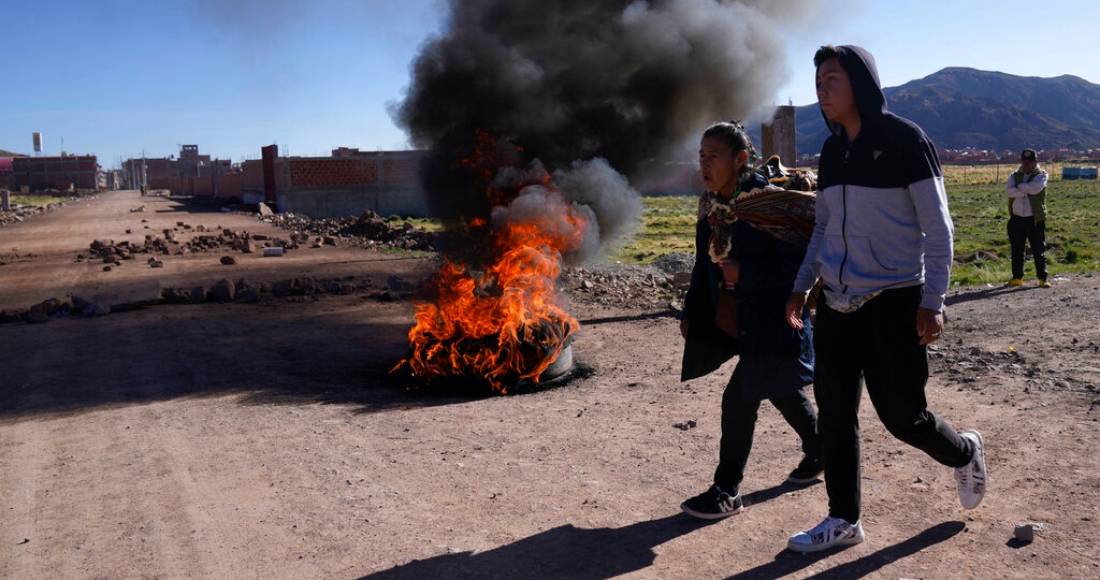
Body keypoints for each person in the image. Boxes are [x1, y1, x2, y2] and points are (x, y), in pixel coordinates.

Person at [783, 45, 987, 552]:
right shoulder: (832, 152)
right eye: (818, 81)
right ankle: (844, 520)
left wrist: (933, 299)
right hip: (835, 302)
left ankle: (963, 452)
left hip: (894, 301)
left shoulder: (905, 141)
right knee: (833, 414)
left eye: (831, 79)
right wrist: (802, 284)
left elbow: (938, 229)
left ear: (860, 83)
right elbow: (824, 228)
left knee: (902, 417)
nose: (821, 89)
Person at [679, 121, 822, 520]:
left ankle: (727, 490)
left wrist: (747, 274)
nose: (704, 164)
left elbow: (800, 271)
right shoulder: (711, 205)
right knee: (779, 388)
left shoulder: (771, 205)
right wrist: (692, 310)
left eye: (714, 156)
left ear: (740, 159)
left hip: (775, 321)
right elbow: (701, 264)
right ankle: (821, 448)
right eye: (701, 156)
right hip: (735, 320)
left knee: (739, 398)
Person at [1006, 148, 1050, 288]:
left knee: (1038, 250)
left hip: (1034, 219)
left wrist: (1020, 188)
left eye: (1029, 162)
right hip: (1017, 218)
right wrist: (1026, 189)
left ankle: (1042, 278)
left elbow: (1036, 188)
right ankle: (1017, 278)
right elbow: (1009, 192)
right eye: (1024, 162)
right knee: (1017, 249)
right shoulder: (1014, 175)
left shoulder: (1042, 175)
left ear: (1035, 161)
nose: (1026, 165)